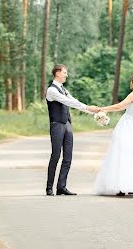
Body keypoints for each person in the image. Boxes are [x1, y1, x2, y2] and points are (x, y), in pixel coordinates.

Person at [46, 64, 99, 196]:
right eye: (64, 72)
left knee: (68, 157)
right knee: (56, 155)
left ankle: (61, 187)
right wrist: (88, 107)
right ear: (57, 73)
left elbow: (74, 100)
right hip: (57, 124)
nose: (66, 75)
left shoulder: (64, 89)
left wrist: (92, 111)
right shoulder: (51, 90)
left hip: (67, 124)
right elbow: (67, 102)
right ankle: (49, 187)